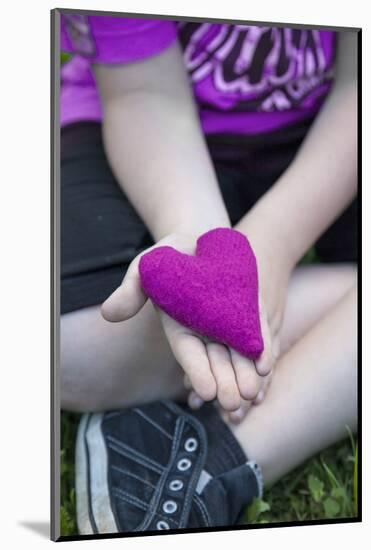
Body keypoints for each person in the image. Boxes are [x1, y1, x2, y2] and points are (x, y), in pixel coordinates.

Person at [60, 14, 358, 534]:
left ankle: (212, 460)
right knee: (63, 345)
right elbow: (144, 94)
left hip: (334, 140)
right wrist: (199, 243)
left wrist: (275, 242)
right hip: (148, 131)